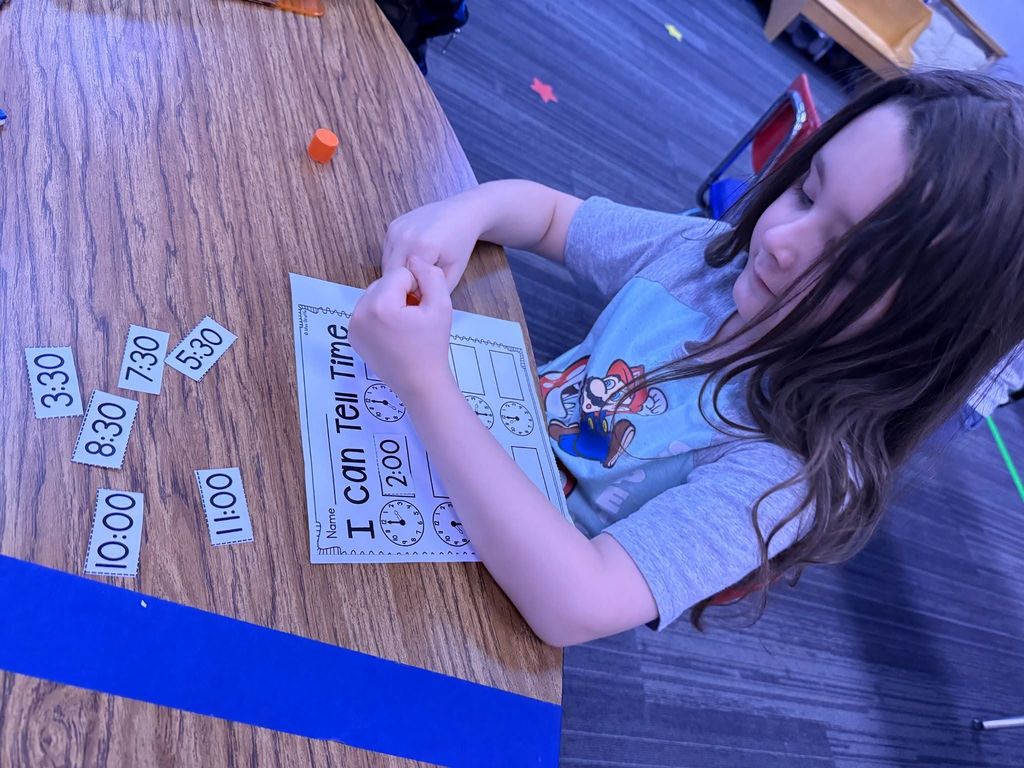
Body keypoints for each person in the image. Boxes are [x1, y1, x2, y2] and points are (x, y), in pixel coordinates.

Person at [348, 70, 1024, 646]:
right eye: (807, 192)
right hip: (443, 463)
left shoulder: (791, 473)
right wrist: (467, 213)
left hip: (479, 602)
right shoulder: (704, 260)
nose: (783, 239)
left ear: (923, 336)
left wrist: (426, 386)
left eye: (848, 265)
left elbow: (576, 604)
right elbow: (552, 217)